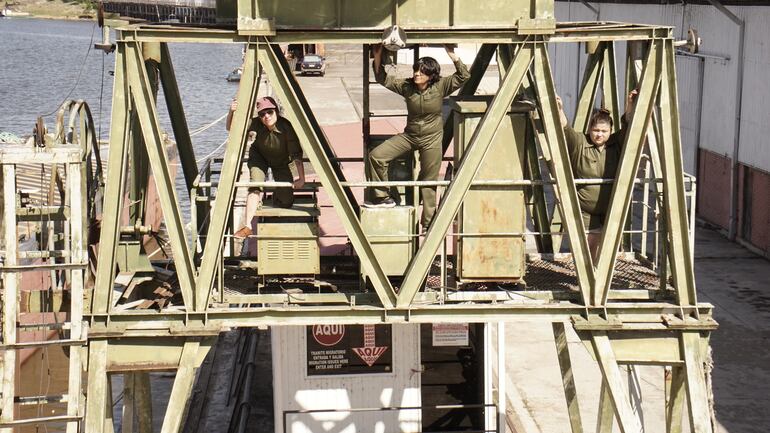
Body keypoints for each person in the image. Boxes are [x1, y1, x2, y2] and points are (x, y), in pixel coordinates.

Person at [366, 44, 470, 229]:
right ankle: (384, 197)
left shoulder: (440, 86)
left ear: (431, 75)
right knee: (377, 156)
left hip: (432, 139)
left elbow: (464, 76)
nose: (416, 75)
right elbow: (382, 78)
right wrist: (378, 56)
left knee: (428, 179)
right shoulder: (407, 87)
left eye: (421, 72)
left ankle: (429, 222)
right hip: (410, 136)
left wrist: (451, 54)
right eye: (415, 71)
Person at [556, 90, 637, 260]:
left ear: (610, 131)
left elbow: (630, 125)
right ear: (589, 129)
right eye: (595, 130)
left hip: (610, 207)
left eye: (603, 131)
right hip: (585, 208)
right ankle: (588, 280)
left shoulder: (617, 143)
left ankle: (599, 278)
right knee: (588, 247)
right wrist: (559, 109)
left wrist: (630, 104)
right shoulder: (579, 142)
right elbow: (564, 128)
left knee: (606, 249)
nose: (599, 134)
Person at [227, 96, 306, 242]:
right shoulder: (257, 123)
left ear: (276, 111)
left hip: (281, 161)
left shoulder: (286, 127)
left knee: (286, 200)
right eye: (262, 114)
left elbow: (296, 154)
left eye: (269, 112)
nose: (266, 116)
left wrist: (301, 178)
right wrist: (231, 112)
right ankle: (248, 225)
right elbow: (232, 129)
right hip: (260, 157)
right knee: (255, 185)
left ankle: (275, 197)